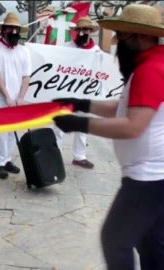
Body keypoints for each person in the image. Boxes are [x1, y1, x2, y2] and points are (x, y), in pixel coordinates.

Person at [53, 4, 164, 269]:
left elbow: (133, 126)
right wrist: (81, 103)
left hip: (149, 177)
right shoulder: (150, 64)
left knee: (116, 239)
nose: (118, 45)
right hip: (154, 174)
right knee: (152, 243)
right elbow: (123, 107)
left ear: (141, 36)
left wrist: (79, 124)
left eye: (123, 36)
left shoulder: (151, 69)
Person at [0, 12, 31, 180]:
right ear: (3, 30)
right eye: (10, 28)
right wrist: (6, 96)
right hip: (0, 97)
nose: (14, 31)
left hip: (16, 96)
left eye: (16, 28)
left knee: (14, 130)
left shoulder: (23, 51)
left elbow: (27, 75)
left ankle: (7, 160)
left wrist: (21, 97)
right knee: (1, 131)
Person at [53, 16, 100, 170]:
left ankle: (79, 156)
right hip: (66, 92)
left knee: (83, 125)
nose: (82, 33)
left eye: (85, 30)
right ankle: (55, 154)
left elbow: (99, 72)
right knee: (60, 124)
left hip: (85, 95)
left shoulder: (96, 51)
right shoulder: (66, 47)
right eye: (79, 30)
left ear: (90, 32)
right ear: (76, 31)